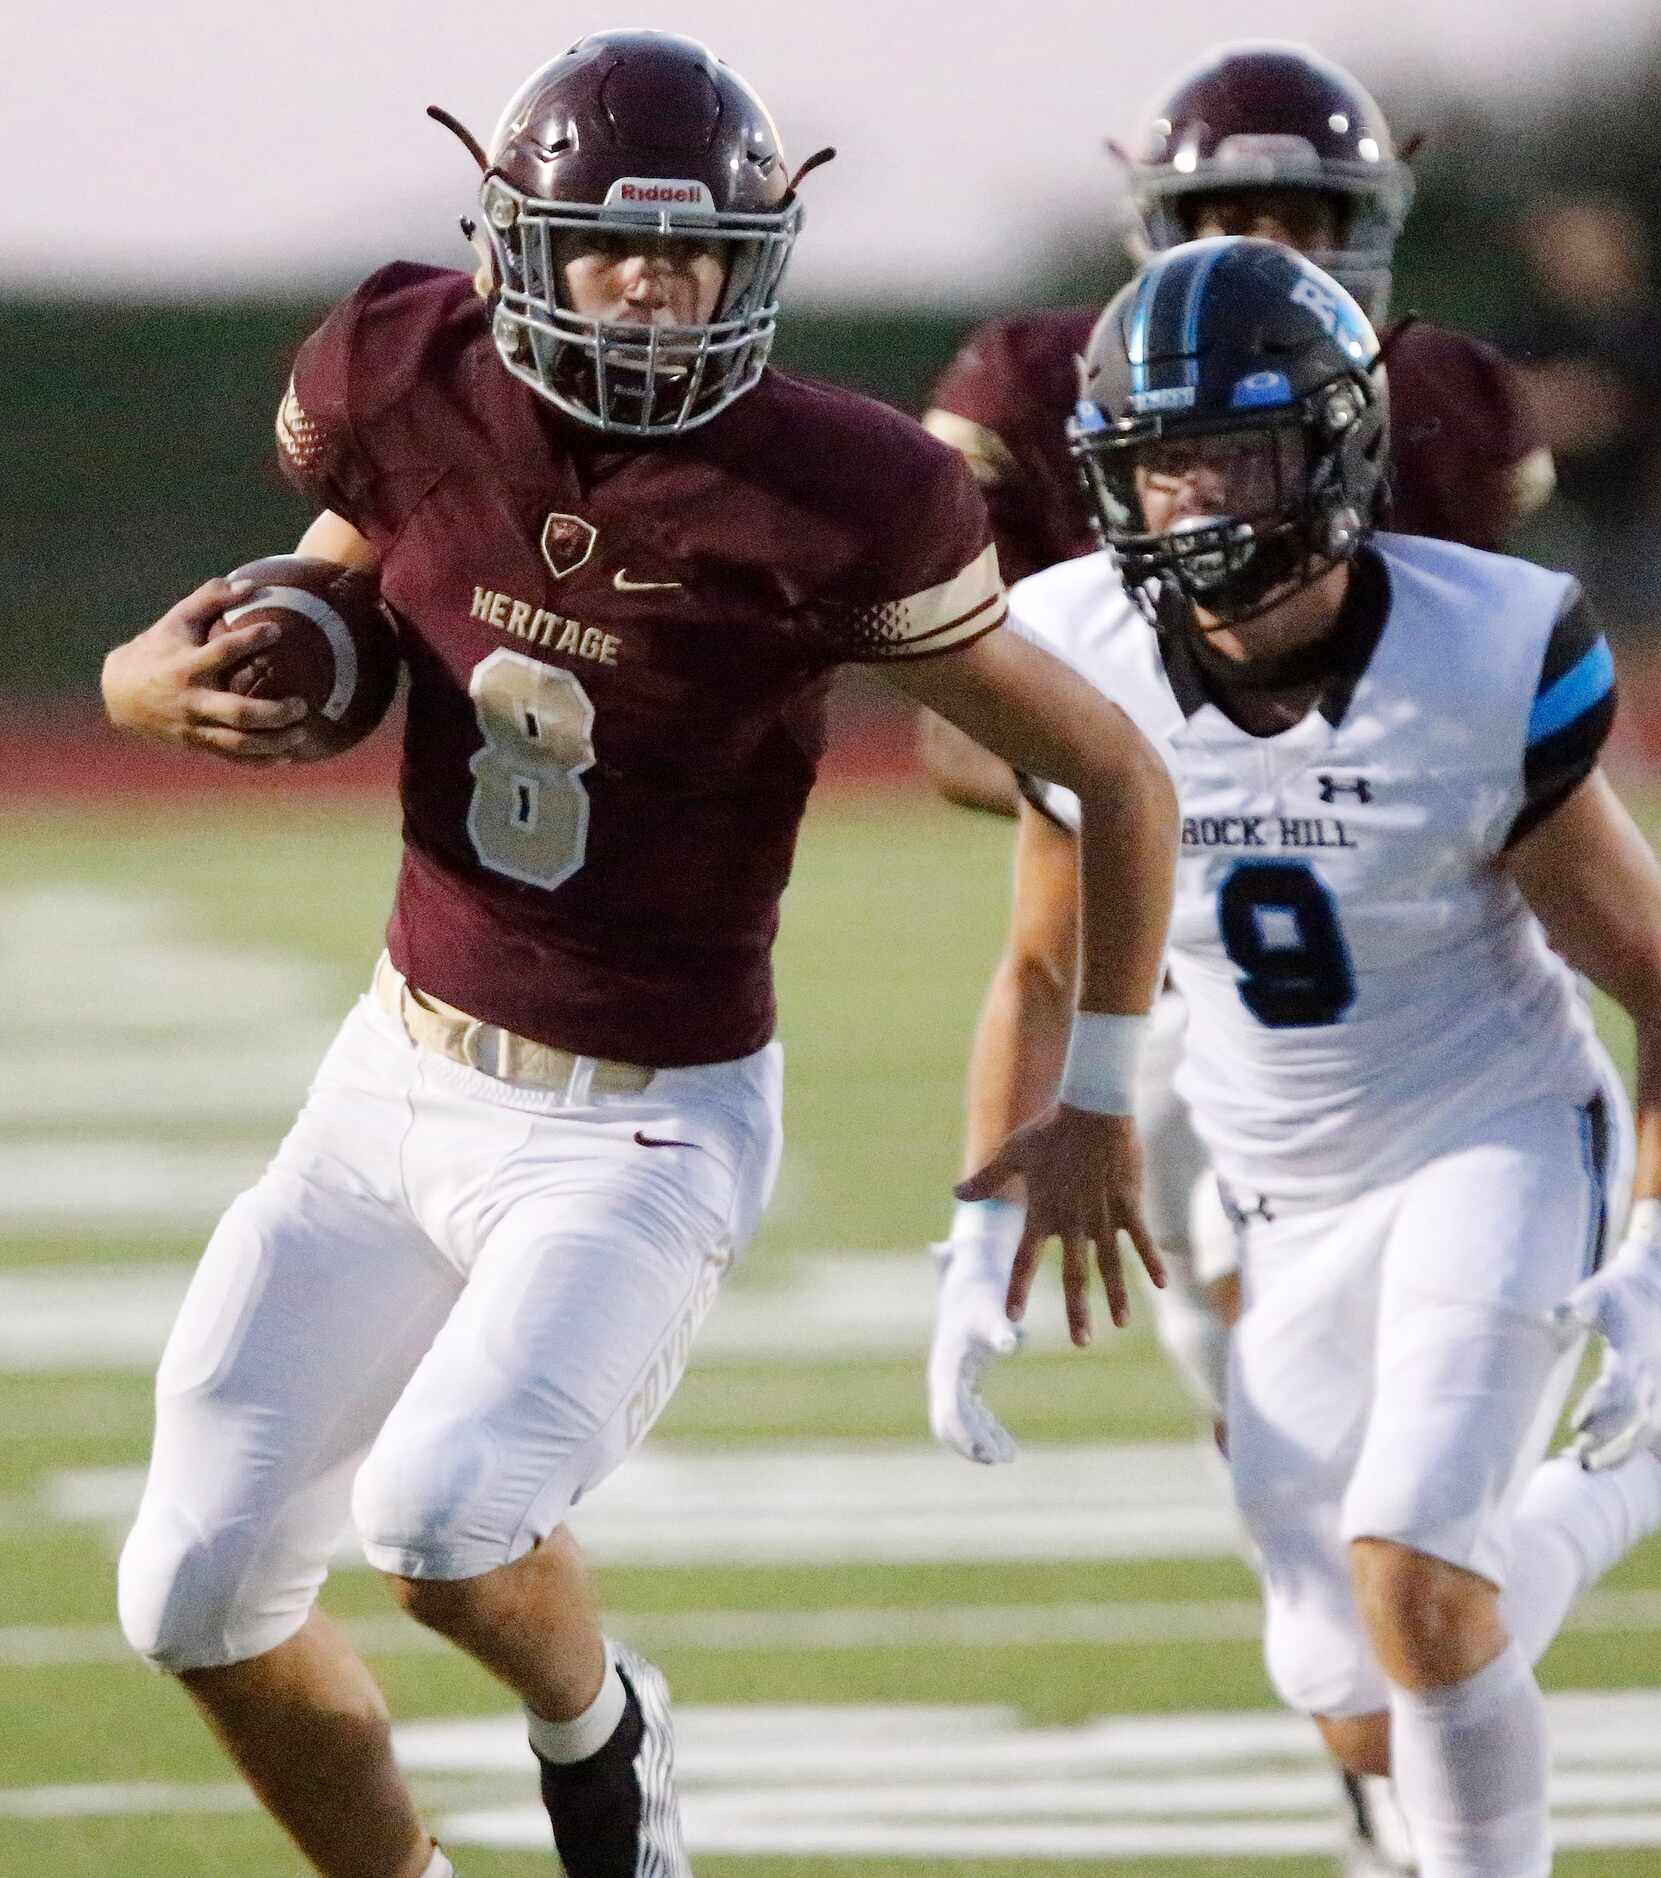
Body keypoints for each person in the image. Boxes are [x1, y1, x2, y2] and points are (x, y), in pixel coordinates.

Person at [99, 32, 1177, 1878]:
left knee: (443, 1521)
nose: (659, 287)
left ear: (759, 260)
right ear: (523, 244)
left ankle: (603, 1735)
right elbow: (336, 565)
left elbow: (1109, 770)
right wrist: (145, 681)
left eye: (697, 255)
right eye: (615, 246)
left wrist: (1095, 1088)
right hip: (392, 1076)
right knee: (188, 1591)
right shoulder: (404, 371)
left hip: (641, 1122)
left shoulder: (840, 491)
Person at [944, 234, 1661, 1878]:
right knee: (1346, 1676)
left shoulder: (1479, 650)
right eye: (1166, 459)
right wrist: (976, 1224)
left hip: (1487, 1127)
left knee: (1412, 1577)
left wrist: (1651, 1240)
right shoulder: (1071, 644)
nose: (1200, 501)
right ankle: (1622, 1490)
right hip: (1275, 1182)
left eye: (1240, 452)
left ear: (1336, 447)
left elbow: (1649, 975)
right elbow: (1042, 962)